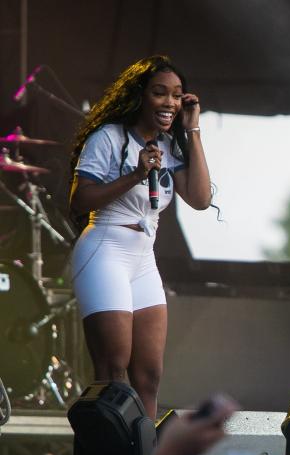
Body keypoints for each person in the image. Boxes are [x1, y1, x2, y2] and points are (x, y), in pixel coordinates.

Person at [69, 55, 212, 419]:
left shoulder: (169, 145)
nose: (170, 103)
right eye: (160, 93)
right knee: (114, 371)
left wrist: (192, 131)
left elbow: (200, 199)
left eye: (177, 96)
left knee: (148, 377)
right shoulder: (108, 137)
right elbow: (79, 200)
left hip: (142, 258)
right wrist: (134, 175)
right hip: (105, 249)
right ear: (140, 96)